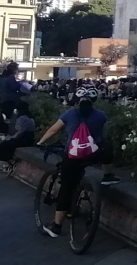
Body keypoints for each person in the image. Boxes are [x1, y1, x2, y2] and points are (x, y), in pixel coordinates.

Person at [34, 86, 119, 238]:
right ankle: (108, 175)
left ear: (76, 100)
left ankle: (56, 227)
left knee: (66, 188)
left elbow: (53, 130)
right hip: (93, 154)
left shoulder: (70, 114)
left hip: (73, 155)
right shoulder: (101, 115)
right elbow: (105, 134)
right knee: (106, 145)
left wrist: (41, 142)